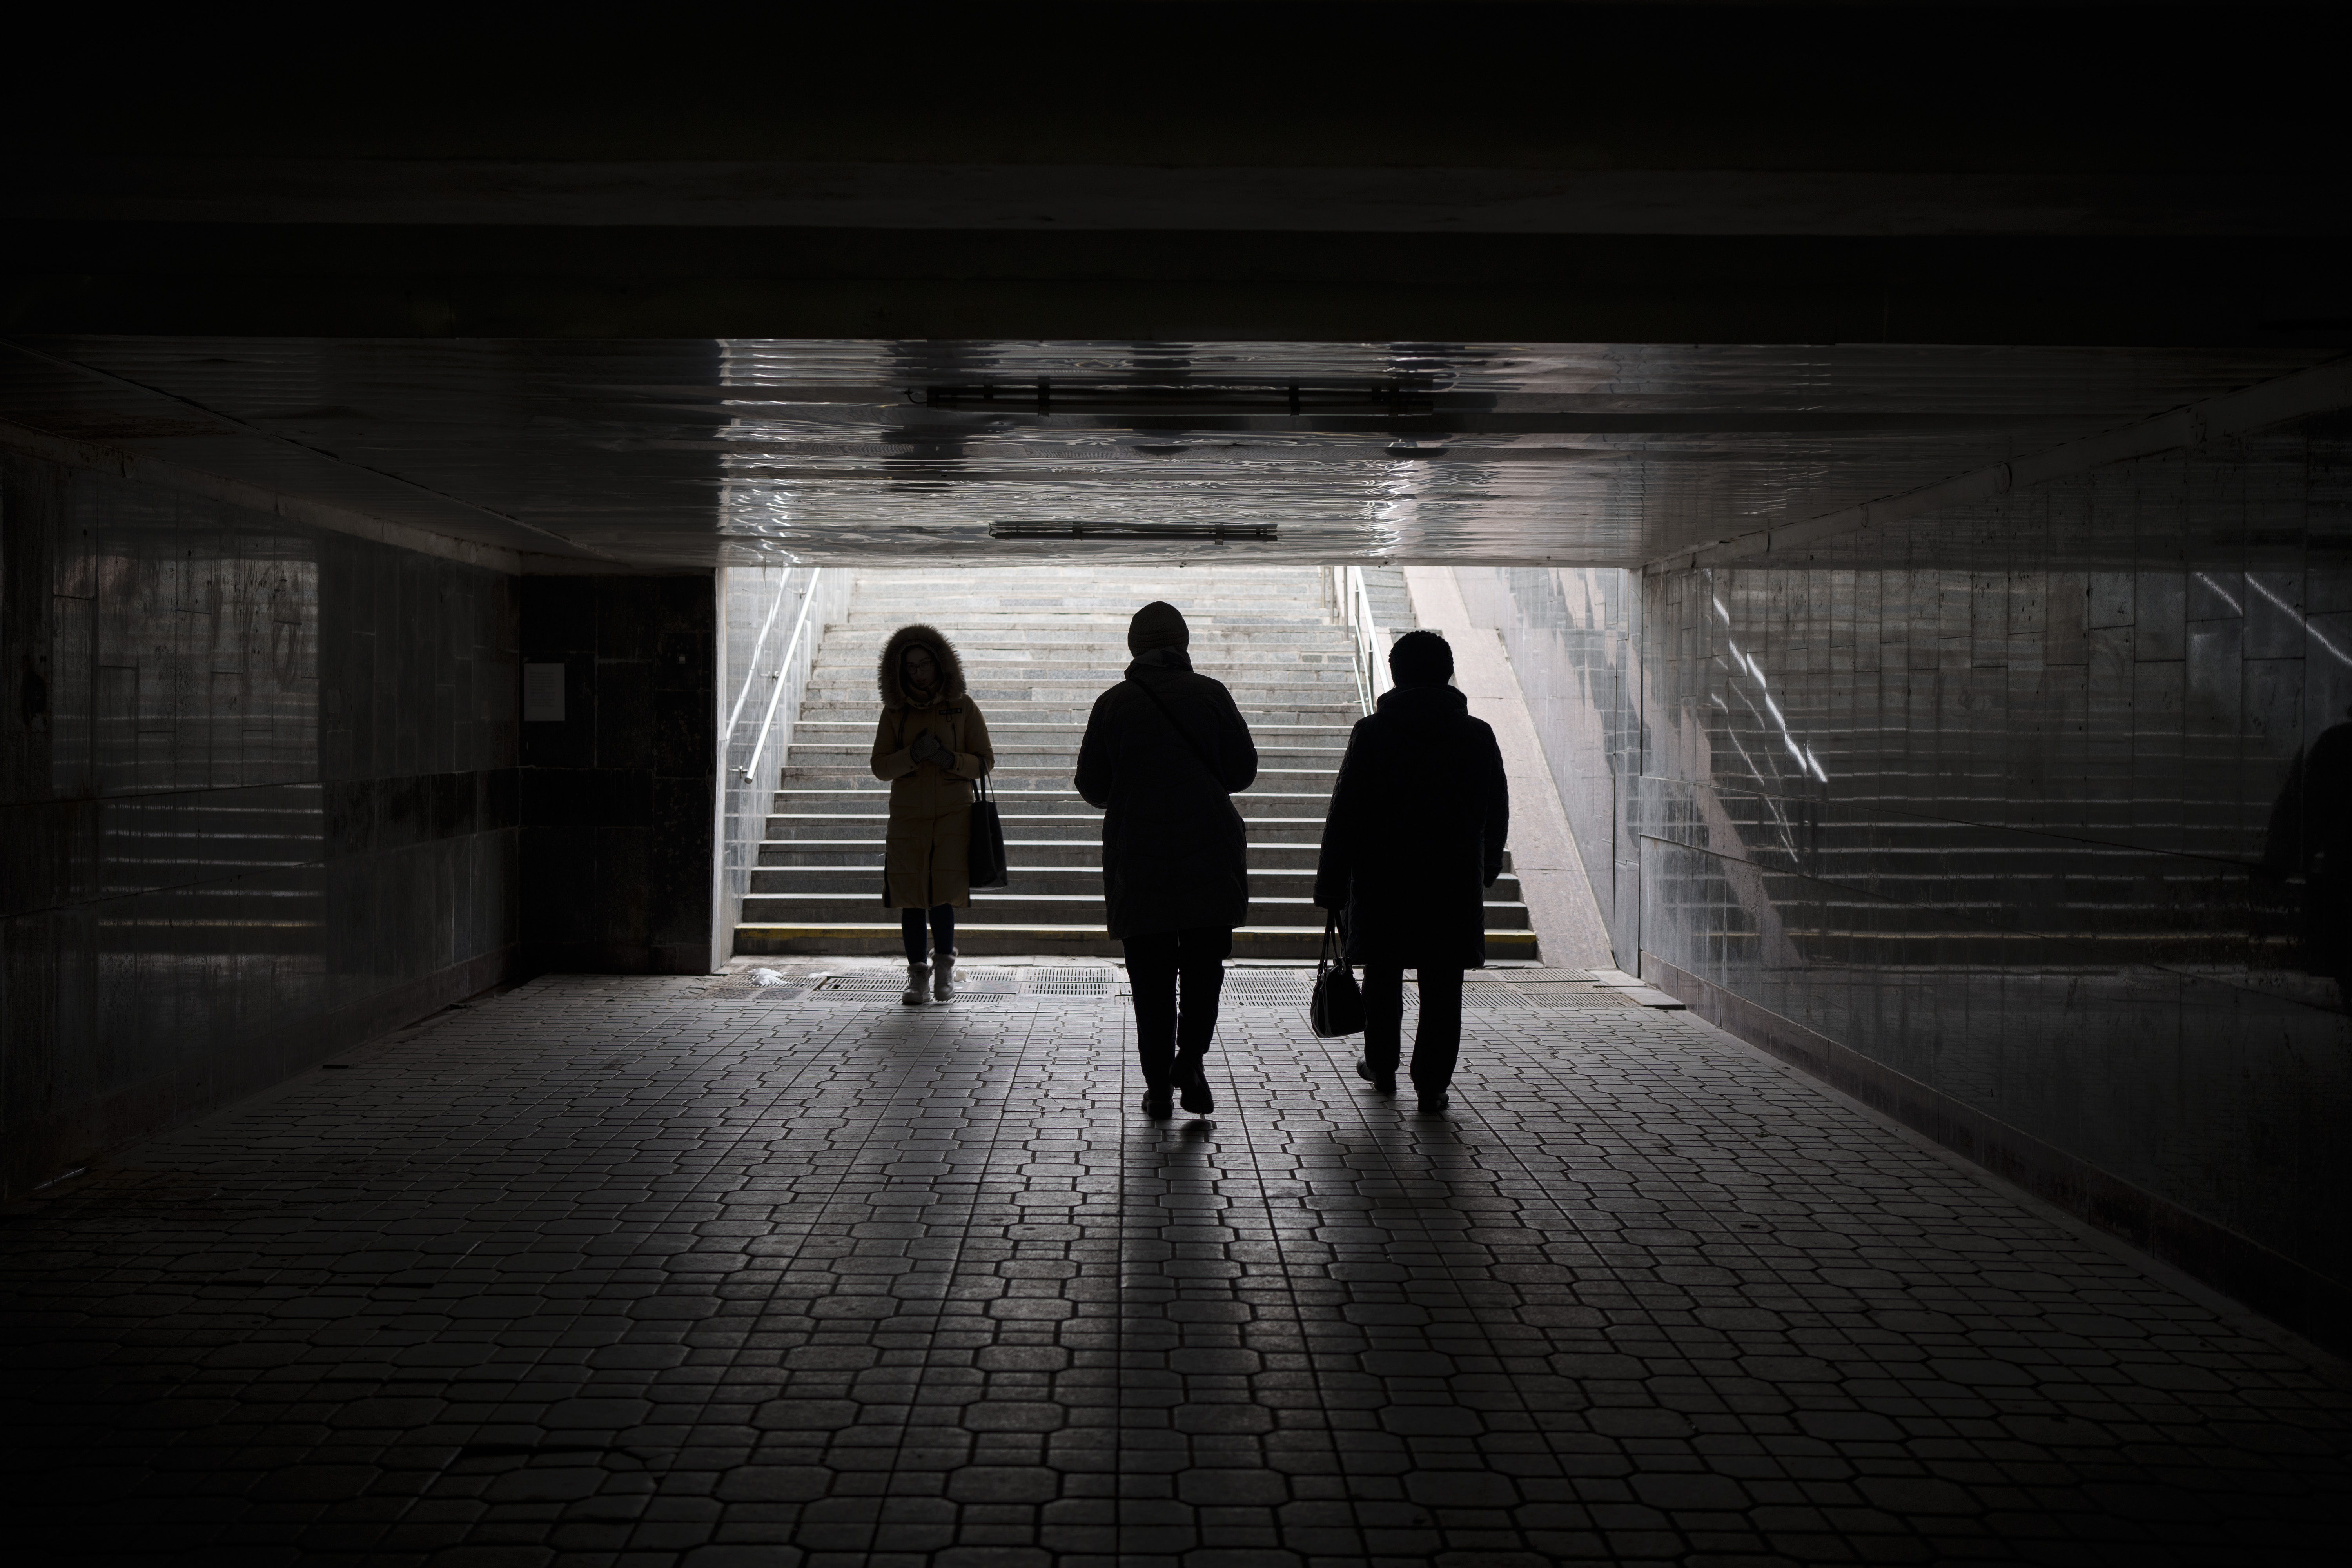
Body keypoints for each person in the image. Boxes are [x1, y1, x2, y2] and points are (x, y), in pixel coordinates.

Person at [1074, 601, 1259, 1117]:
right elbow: (1243, 772)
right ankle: (1191, 1062)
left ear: (1135, 647)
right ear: (1183, 644)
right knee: (1203, 969)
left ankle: (1158, 1090)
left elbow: (1092, 786)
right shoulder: (1211, 694)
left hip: (1139, 856)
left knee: (1150, 979)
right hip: (1208, 851)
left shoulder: (1113, 704)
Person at [1313, 630, 1509, 1112]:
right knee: (1443, 985)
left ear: (1396, 674)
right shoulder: (1476, 734)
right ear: (1448, 673)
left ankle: (1382, 1066)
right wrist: (1486, 866)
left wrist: (1331, 883)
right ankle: (1432, 1084)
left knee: (1382, 976)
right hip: (1451, 881)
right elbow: (1495, 810)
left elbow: (1346, 813)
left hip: (1384, 880)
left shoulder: (1372, 733)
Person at [871, 624, 995, 1005]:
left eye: (925, 664)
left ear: (940, 665)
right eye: (911, 667)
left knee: (942, 896)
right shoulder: (895, 712)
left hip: (953, 817)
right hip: (908, 818)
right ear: (900, 670)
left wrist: (948, 759)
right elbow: (880, 766)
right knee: (911, 899)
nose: (919, 673)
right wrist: (913, 755)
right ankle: (917, 977)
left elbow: (984, 762)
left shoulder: (963, 707)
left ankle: (944, 971)